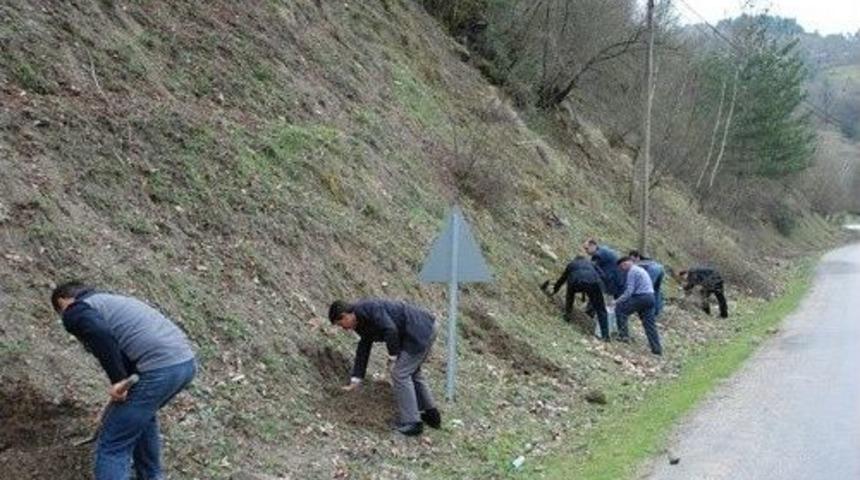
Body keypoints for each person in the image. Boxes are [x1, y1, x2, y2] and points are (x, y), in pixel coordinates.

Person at [51, 281, 196, 480]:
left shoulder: (77, 310)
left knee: (112, 445)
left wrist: (118, 380)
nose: (64, 318)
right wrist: (124, 383)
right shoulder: (110, 302)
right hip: (184, 364)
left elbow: (99, 334)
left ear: (62, 301)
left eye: (60, 312)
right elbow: (126, 352)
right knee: (141, 419)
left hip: (159, 369)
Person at [329, 299, 440, 436]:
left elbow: (390, 329)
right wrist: (355, 380)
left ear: (346, 315)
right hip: (423, 328)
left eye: (341, 324)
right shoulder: (359, 323)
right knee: (413, 372)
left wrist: (392, 357)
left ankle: (412, 423)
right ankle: (431, 415)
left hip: (419, 329)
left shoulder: (369, 308)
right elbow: (364, 347)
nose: (344, 328)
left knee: (400, 374)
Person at [542, 256, 610, 340]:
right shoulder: (591, 263)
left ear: (575, 260)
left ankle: (567, 315)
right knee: (601, 310)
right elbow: (603, 275)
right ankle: (606, 336)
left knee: (570, 294)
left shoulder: (571, 264)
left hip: (576, 281)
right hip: (593, 282)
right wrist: (600, 286)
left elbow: (562, 279)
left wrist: (555, 290)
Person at [613, 257, 663, 355]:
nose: (622, 270)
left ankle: (623, 336)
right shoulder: (640, 269)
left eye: (621, 267)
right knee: (649, 325)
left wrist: (617, 301)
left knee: (620, 310)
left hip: (641, 297)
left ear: (625, 264)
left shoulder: (632, 271)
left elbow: (629, 292)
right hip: (650, 298)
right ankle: (657, 349)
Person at [629, 250, 665, 317]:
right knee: (656, 290)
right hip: (660, 268)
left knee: (648, 291)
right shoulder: (647, 260)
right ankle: (657, 311)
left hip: (654, 270)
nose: (632, 261)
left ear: (638, 257)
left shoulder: (638, 264)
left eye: (633, 259)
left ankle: (649, 312)